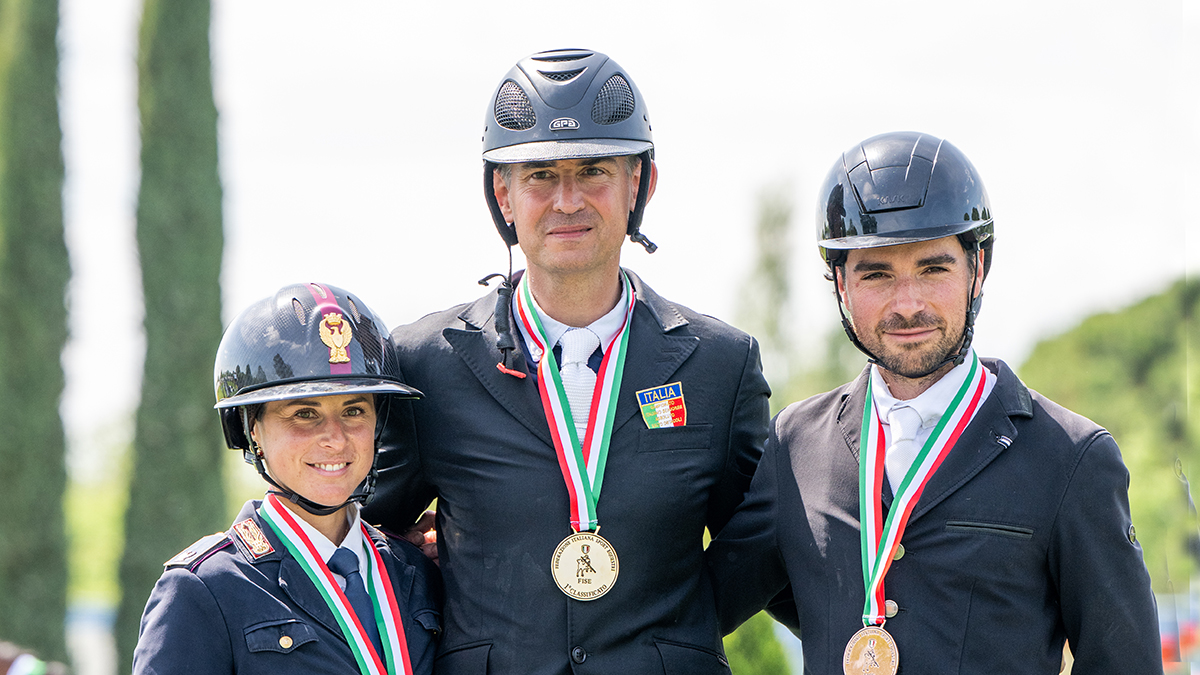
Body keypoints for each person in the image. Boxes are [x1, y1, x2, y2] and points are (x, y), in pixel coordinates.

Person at [363, 48, 770, 674]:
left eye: (593, 171)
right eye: (540, 177)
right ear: (502, 192)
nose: (568, 200)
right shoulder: (425, 365)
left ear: (640, 184)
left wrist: (673, 637)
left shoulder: (720, 366)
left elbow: (760, 546)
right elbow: (360, 537)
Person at [706, 131, 1163, 674]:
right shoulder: (793, 445)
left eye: (933, 268)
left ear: (978, 268)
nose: (908, 304)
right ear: (840, 285)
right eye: (876, 274)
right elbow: (691, 610)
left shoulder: (1072, 458)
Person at [133, 283, 442, 675]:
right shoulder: (205, 589)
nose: (335, 438)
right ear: (252, 430)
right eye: (304, 414)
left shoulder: (418, 572)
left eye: (354, 411)